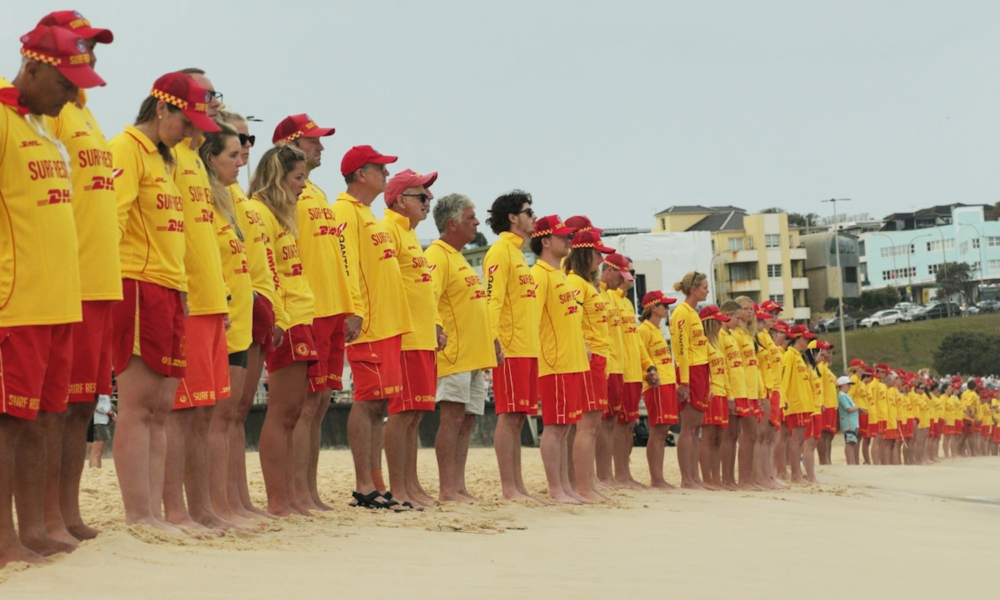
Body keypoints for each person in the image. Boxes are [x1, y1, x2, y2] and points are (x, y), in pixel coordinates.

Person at [0, 24, 104, 566]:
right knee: (10, 421)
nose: (74, 95)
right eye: (67, 83)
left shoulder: (41, 127)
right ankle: (4, 538)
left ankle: (35, 526)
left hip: (61, 297)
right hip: (17, 301)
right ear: (34, 69)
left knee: (46, 417)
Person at [110, 72, 213, 535]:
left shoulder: (165, 159)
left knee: (162, 408)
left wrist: (184, 289)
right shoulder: (128, 149)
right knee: (138, 405)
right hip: (137, 282)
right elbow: (112, 218)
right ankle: (141, 514)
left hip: (169, 287)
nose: (191, 132)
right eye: (185, 120)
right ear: (162, 108)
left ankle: (152, 512)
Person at [39, 10, 117, 545]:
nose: (88, 52)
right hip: (70, 278)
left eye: (91, 44)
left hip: (100, 279)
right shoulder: (54, 113)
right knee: (57, 408)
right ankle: (44, 515)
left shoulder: (88, 116)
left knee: (83, 408)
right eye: (79, 43)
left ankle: (66, 511)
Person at [160, 68, 233, 532]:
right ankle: (175, 509)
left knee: (206, 412)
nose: (212, 101)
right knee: (180, 414)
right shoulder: (165, 155)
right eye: (204, 94)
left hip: (211, 301)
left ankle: (203, 507)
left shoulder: (193, 160)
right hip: (184, 298)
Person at [333, 145, 412, 510]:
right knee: (367, 403)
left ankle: (376, 484)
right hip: (369, 323)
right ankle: (364, 485)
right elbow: (345, 264)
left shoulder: (367, 215)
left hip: (388, 324)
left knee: (379, 405)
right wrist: (354, 309)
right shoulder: (345, 212)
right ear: (360, 174)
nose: (385, 173)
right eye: (379, 168)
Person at [274, 114, 344, 512]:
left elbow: (336, 256)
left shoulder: (316, 192)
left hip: (330, 307)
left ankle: (308, 490)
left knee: (318, 406)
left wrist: (347, 306)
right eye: (314, 141)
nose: (321, 147)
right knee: (301, 405)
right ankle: (294, 491)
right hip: (307, 306)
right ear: (291, 144)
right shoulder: (287, 192)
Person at [249, 144, 318, 516]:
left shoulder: (281, 216)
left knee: (293, 414)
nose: (303, 186)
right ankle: (279, 499)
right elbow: (267, 271)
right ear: (278, 178)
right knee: (283, 412)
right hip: (286, 318)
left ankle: (290, 495)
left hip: (301, 314)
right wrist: (279, 317)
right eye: (297, 178)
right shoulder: (260, 212)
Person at [199, 122, 258, 527]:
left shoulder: (228, 202)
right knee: (214, 419)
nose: (241, 162)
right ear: (210, 158)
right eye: (233, 156)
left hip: (237, 317)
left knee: (231, 417)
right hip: (216, 314)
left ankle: (231, 502)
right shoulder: (205, 198)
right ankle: (217, 505)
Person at [222, 110, 278, 519]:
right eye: (239, 138)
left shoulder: (242, 198)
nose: (245, 146)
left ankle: (238, 500)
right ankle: (225, 501)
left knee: (237, 413)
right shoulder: (224, 193)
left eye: (249, 139)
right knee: (222, 413)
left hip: (254, 299)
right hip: (229, 303)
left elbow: (264, 261)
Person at [426, 194, 498, 504]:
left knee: (467, 421)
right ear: (452, 223)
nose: (477, 223)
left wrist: (492, 343)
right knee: (452, 419)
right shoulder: (438, 255)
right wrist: (437, 328)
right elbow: (429, 295)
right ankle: (447, 488)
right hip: (453, 352)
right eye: (471, 218)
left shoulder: (460, 257)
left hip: (474, 352)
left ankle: (459, 485)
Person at [381, 169, 444, 508]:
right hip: (404, 337)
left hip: (422, 336)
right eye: (422, 196)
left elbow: (422, 288)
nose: (429, 201)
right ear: (401, 199)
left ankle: (411, 483)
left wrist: (435, 324)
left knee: (416, 414)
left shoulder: (410, 236)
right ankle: (398, 487)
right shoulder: (388, 229)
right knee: (402, 413)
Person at [483, 191, 540, 502]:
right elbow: (493, 300)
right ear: (513, 218)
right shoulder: (500, 252)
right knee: (509, 415)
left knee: (519, 417)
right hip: (510, 348)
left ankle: (518, 486)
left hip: (528, 347)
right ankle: (509, 488)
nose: (534, 216)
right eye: (528, 211)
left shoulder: (519, 253)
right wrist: (492, 339)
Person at [531, 215, 590, 504]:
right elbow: (533, 320)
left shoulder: (561, 276)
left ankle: (566, 485)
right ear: (545, 240)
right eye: (562, 236)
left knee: (565, 426)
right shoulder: (539, 275)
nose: (568, 241)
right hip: (554, 362)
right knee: (554, 427)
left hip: (572, 360)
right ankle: (556, 488)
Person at [564, 230, 617, 501]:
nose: (601, 260)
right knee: (588, 424)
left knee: (592, 425)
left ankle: (586, 483)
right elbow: (572, 318)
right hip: (590, 356)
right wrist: (583, 346)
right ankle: (583, 486)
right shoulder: (575, 281)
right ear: (585, 253)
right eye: (597, 254)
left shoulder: (586, 283)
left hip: (598, 356)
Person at [610, 256, 653, 489]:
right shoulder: (611, 300)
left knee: (629, 424)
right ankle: (617, 473)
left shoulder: (627, 303)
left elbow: (635, 340)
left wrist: (648, 367)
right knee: (618, 424)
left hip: (633, 371)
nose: (633, 278)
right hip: (621, 370)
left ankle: (623, 471)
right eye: (630, 273)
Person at [669, 271, 711, 489]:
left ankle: (694, 476)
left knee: (697, 429)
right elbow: (681, 349)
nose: (707, 290)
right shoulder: (681, 313)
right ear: (694, 289)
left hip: (700, 369)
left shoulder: (693, 313)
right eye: (704, 287)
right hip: (690, 371)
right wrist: (684, 381)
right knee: (689, 427)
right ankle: (687, 478)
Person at [637, 291, 677, 489]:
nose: (667, 309)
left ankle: (659, 477)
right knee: (657, 431)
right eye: (665, 305)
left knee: (663, 431)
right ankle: (656, 478)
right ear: (654, 307)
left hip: (667, 382)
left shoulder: (656, 330)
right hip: (655, 385)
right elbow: (640, 356)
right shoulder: (644, 330)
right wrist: (649, 374)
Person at [597, 257, 628, 487]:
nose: (622, 281)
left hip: (618, 365)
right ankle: (602, 475)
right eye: (620, 276)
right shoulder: (598, 292)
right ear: (609, 271)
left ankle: (607, 474)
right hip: (606, 364)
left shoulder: (612, 297)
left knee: (611, 423)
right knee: (600, 423)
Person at [780, 325, 817, 483]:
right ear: (796, 338)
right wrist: (783, 399)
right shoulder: (790, 355)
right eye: (805, 338)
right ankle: (795, 474)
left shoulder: (800, 356)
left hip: (804, 403)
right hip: (796, 403)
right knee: (796, 439)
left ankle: (797, 472)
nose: (808, 340)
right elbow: (784, 378)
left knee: (800, 440)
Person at [716, 301, 746, 490]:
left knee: (734, 435)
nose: (738, 322)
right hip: (729, 391)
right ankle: (725, 477)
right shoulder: (720, 336)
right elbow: (724, 368)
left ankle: (730, 477)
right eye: (736, 318)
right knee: (727, 435)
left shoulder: (731, 336)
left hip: (738, 389)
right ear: (726, 315)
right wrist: (730, 395)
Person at [836, 376, 860, 465]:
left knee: (852, 442)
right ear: (843, 385)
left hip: (853, 422)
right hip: (848, 421)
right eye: (848, 384)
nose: (849, 387)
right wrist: (858, 407)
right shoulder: (842, 396)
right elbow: (848, 409)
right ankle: (850, 462)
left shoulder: (846, 396)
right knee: (849, 442)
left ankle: (852, 461)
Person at [89, 395, 116, 469]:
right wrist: (110, 413)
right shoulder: (97, 388)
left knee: (98, 452)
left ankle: (96, 470)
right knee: (96, 452)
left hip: (102, 421)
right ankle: (94, 471)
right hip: (99, 421)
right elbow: (96, 404)